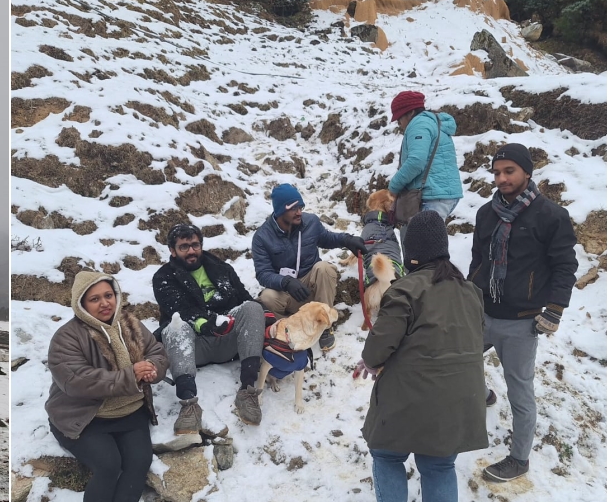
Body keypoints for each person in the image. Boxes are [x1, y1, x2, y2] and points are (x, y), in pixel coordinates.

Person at [351, 210, 487, 502]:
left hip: (410, 393)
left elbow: (378, 348)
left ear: (411, 254)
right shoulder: (470, 291)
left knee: (386, 454)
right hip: (462, 397)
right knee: (440, 465)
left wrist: (370, 362)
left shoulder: (405, 291)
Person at [46, 271, 169, 502]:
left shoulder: (130, 324)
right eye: (95, 299)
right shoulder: (67, 337)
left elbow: (156, 350)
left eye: (108, 295)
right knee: (109, 464)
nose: (104, 303)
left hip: (129, 413)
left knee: (138, 462)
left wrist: (154, 369)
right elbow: (75, 381)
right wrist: (130, 376)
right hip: (85, 417)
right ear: (81, 304)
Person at [469, 143, 578, 482]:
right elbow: (478, 260)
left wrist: (555, 309)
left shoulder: (551, 216)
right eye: (497, 172)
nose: (501, 178)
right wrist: (468, 294)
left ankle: (519, 459)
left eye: (509, 171)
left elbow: (565, 266)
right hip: (483, 312)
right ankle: (483, 396)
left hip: (520, 322)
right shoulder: (486, 213)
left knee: (520, 391)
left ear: (527, 172)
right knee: (458, 360)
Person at [153, 224, 267, 427]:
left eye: (195, 245)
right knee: (175, 326)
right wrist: (205, 324)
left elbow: (244, 299)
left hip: (227, 341)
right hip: (192, 348)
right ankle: (189, 404)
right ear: (172, 250)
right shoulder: (163, 277)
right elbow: (180, 310)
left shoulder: (222, 269)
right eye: (184, 247)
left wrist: (271, 321)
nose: (191, 251)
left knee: (252, 308)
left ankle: (248, 391)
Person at [252, 183, 367, 350]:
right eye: (293, 208)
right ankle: (291, 324)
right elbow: (263, 273)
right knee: (267, 298)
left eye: (300, 206)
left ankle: (325, 325)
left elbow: (328, 238)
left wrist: (347, 240)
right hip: (286, 291)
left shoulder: (310, 222)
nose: (299, 212)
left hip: (310, 286)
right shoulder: (262, 237)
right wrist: (286, 282)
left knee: (324, 268)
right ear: (279, 211)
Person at [388, 91, 463, 222]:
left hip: (433, 195)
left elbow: (416, 161)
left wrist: (393, 187)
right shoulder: (432, 123)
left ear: (410, 112)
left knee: (426, 240)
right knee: (426, 238)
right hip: (441, 192)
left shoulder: (419, 125)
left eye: (399, 118)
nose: (399, 123)